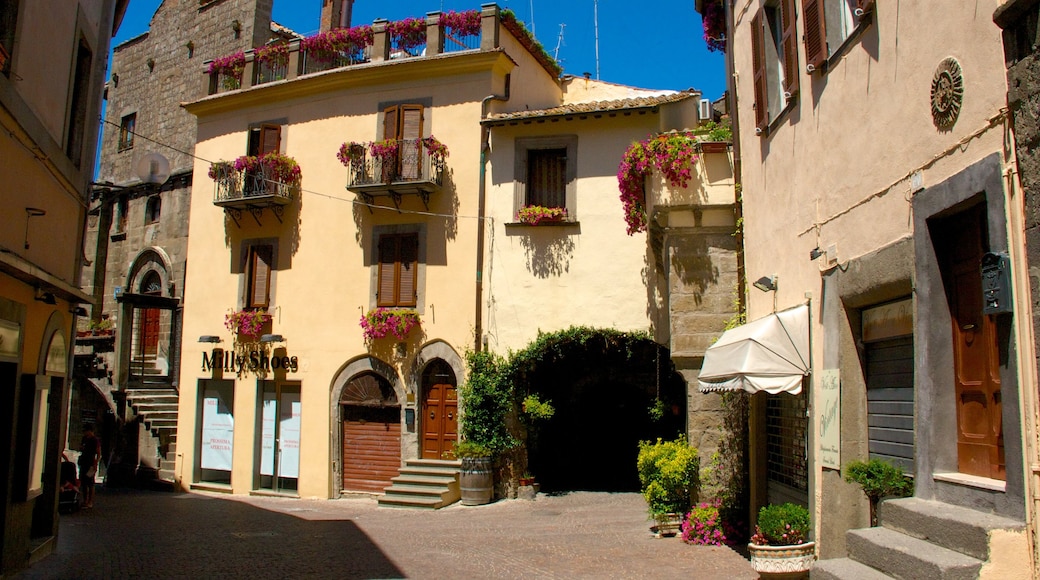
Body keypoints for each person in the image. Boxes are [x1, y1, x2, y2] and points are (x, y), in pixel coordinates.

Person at [78, 427, 100, 508]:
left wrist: (95, 463)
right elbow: (81, 447)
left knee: (90, 483)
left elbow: (98, 452)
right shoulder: (84, 439)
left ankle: (90, 501)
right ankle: (85, 500)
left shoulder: (95, 440)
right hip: (84, 462)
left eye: (86, 431)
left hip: (91, 463)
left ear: (90, 431)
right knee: (83, 482)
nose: (85, 433)